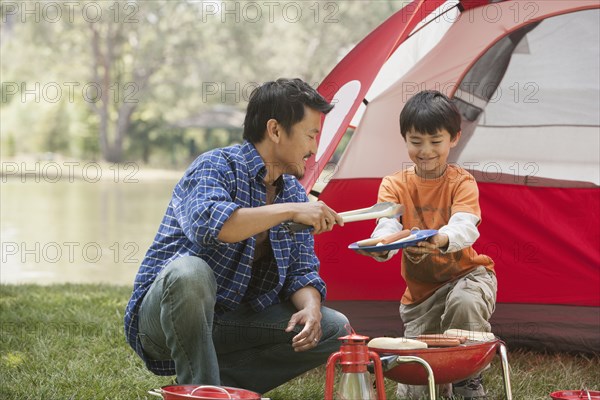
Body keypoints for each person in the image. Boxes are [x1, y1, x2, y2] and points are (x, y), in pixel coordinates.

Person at [124, 78, 349, 394]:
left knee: (334, 328)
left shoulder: (293, 192)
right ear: (275, 130)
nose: (314, 148)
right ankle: (205, 389)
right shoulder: (215, 165)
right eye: (310, 135)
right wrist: (289, 212)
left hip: (229, 322)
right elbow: (212, 226)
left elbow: (302, 272)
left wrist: (311, 306)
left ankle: (205, 388)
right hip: (164, 319)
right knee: (191, 273)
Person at [355, 90, 496, 400]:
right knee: (415, 391)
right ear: (405, 138)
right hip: (420, 298)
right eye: (416, 142)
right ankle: (441, 382)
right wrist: (382, 245)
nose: (426, 151)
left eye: (436, 141)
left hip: (467, 277)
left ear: (454, 138)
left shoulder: (462, 182)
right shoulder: (394, 183)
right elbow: (387, 224)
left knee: (464, 303)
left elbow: (465, 226)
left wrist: (439, 238)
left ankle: (468, 381)